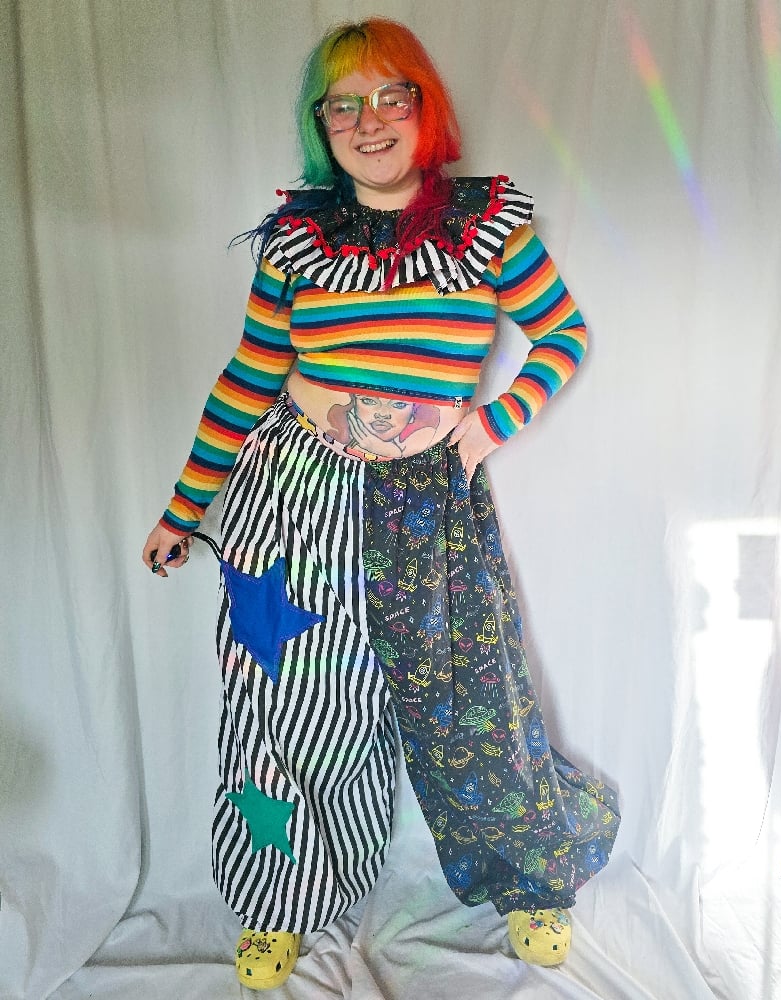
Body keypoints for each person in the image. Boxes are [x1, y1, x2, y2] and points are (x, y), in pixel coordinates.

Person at [142, 17, 620, 991]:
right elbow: (248, 377)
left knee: (472, 701)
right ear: (322, 124)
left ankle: (531, 879)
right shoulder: (297, 239)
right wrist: (182, 508)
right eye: (344, 105)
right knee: (289, 704)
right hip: (294, 501)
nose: (369, 121)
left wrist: (491, 423)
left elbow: (562, 335)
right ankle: (277, 899)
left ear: (423, 105)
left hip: (428, 506)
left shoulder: (485, 228)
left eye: (390, 96)